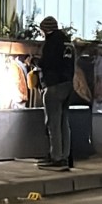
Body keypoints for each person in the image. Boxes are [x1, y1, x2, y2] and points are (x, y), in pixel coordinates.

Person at [36, 16, 74, 171]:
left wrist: (35, 62)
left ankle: (56, 157)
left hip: (54, 86)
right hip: (68, 85)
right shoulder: (67, 42)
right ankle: (65, 156)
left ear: (46, 29)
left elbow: (48, 63)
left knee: (53, 123)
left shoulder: (52, 43)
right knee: (64, 122)